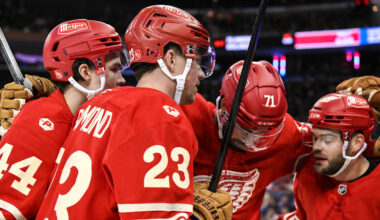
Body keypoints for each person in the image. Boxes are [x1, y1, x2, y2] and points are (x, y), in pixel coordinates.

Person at [35, 5, 232, 220]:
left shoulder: (97, 103)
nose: (202, 74)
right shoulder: (162, 118)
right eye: (196, 61)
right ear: (172, 59)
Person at [0, 19, 126, 219]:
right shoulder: (44, 125)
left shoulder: (74, 119)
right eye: (115, 69)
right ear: (85, 72)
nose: (122, 79)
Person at [180, 60, 313, 219]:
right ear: (224, 107)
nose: (252, 142)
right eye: (246, 131)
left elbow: (334, 143)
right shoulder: (186, 114)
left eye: (265, 133)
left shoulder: (288, 135)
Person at [279, 93, 380, 219]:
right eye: (315, 137)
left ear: (356, 143)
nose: (316, 147)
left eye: (327, 139)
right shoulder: (307, 174)